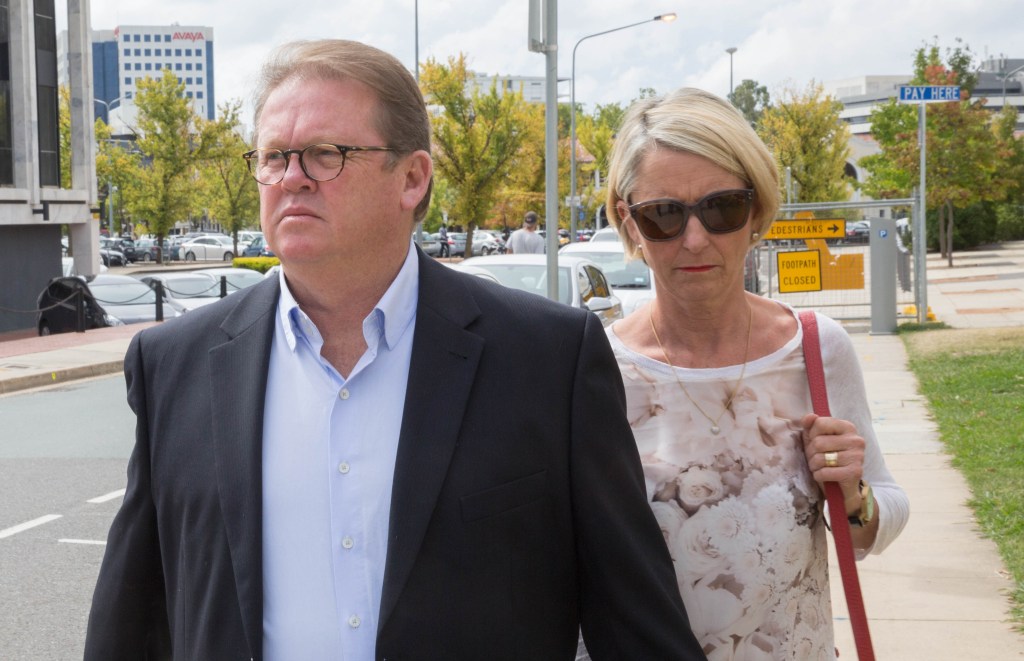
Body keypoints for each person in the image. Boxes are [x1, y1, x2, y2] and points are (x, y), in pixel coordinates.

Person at [84, 40, 705, 660]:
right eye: (274, 157)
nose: (292, 177)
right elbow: (130, 622)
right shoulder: (174, 364)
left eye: (326, 154)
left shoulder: (548, 359)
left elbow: (634, 619)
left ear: (412, 178)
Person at [581, 87, 910, 659]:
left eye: (722, 207)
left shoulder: (815, 348)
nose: (695, 238)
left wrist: (853, 494)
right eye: (662, 215)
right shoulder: (595, 370)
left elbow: (879, 520)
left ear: (755, 210)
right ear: (628, 222)